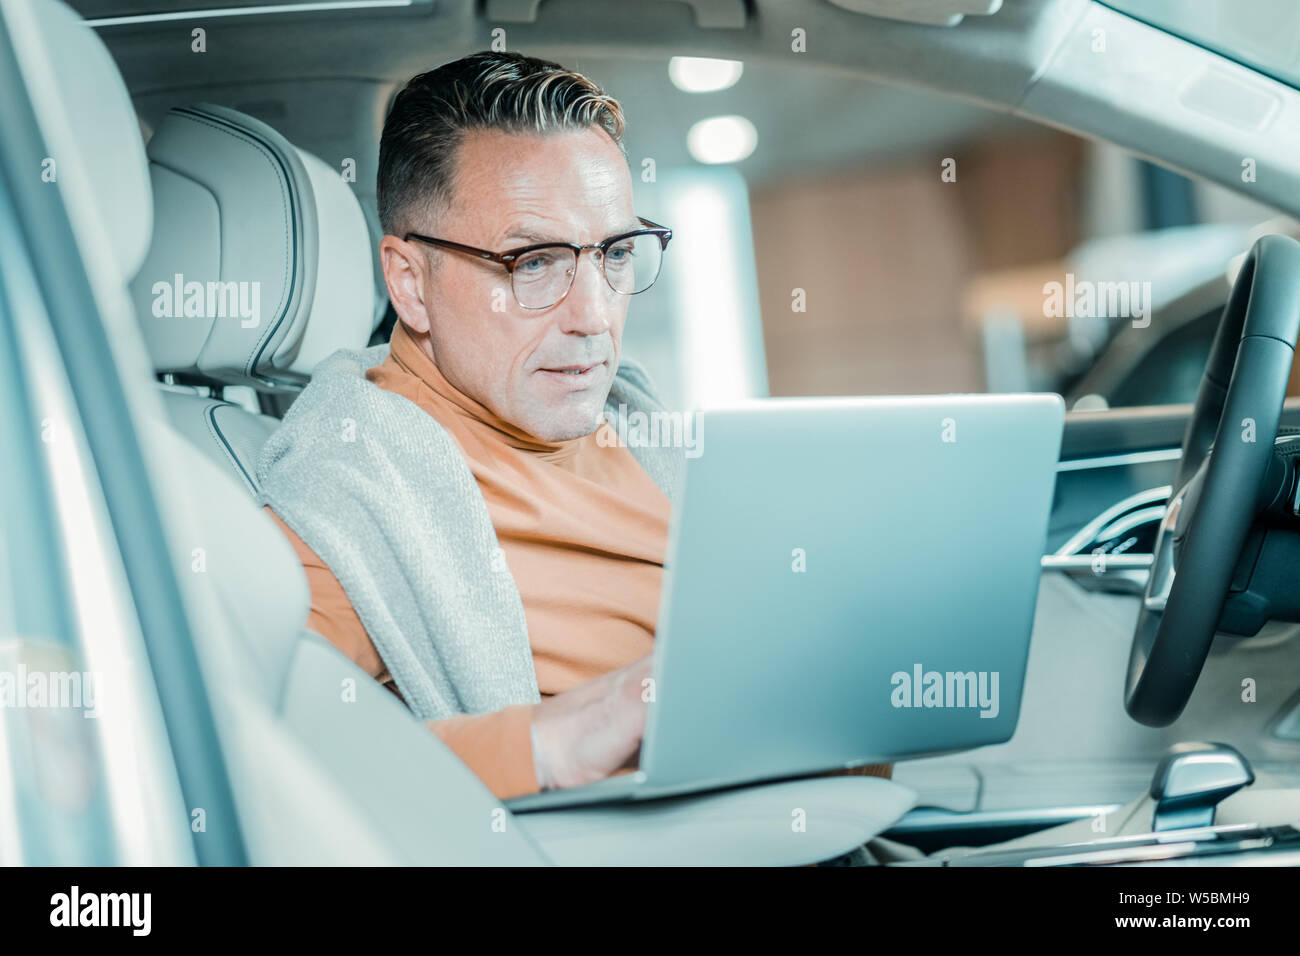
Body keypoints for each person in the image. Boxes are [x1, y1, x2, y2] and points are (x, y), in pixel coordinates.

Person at [259, 49, 891, 799]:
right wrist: (553, 746)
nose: (594, 317)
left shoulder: (644, 430)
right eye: (533, 263)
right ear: (410, 283)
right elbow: (263, 759)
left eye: (616, 253)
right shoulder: (351, 495)